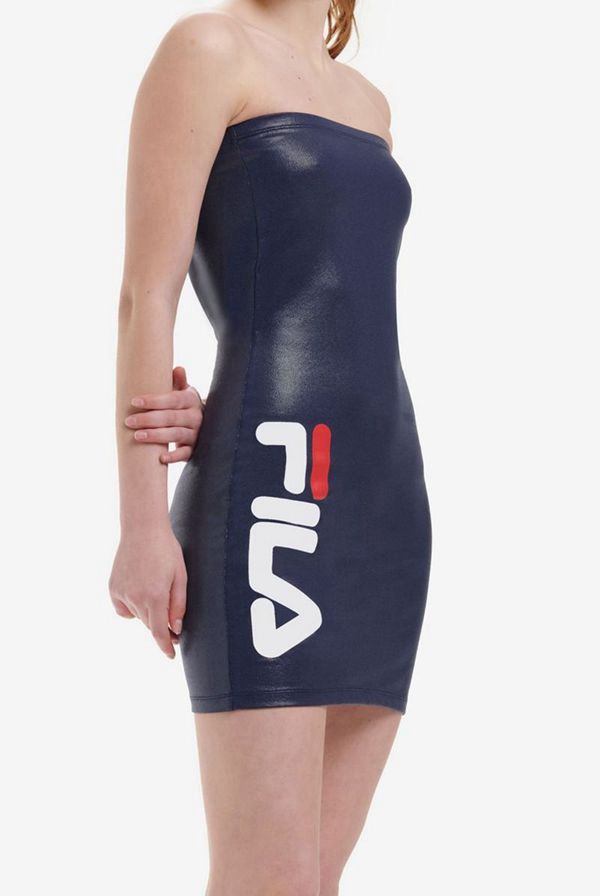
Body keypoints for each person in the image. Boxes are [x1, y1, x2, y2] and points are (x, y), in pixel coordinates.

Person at [109, 2, 432, 894]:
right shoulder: (205, 49)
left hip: (385, 499)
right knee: (269, 880)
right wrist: (142, 522)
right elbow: (146, 295)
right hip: (275, 491)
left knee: (315, 880)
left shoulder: (369, 103)